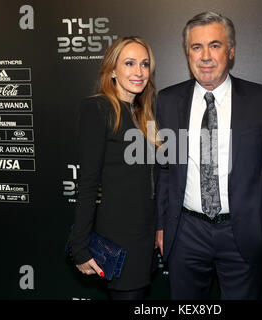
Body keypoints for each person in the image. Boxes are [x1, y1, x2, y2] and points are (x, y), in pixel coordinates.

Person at [154, 12, 262, 299]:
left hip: (243, 234)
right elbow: (164, 169)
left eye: (214, 45)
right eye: (196, 47)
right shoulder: (167, 100)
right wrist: (163, 225)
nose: (205, 56)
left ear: (231, 51)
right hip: (186, 233)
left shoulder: (261, 99)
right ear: (187, 53)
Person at [68, 36, 159, 300]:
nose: (139, 72)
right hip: (118, 235)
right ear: (112, 70)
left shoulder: (145, 112)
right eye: (129, 63)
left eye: (144, 64)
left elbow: (151, 178)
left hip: (146, 234)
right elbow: (88, 183)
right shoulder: (98, 108)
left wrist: (158, 228)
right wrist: (80, 247)